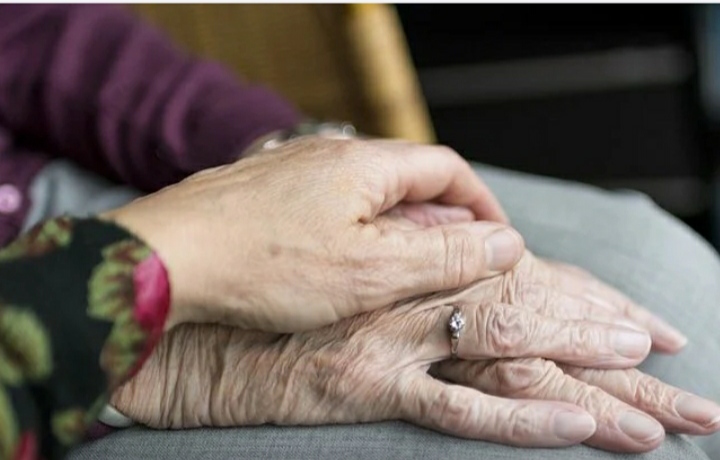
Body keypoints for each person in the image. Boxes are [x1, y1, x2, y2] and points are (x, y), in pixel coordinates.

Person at [0, 4, 718, 460]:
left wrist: (280, 160)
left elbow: (31, 31)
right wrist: (162, 357)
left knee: (657, 273)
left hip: (67, 190)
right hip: (40, 381)